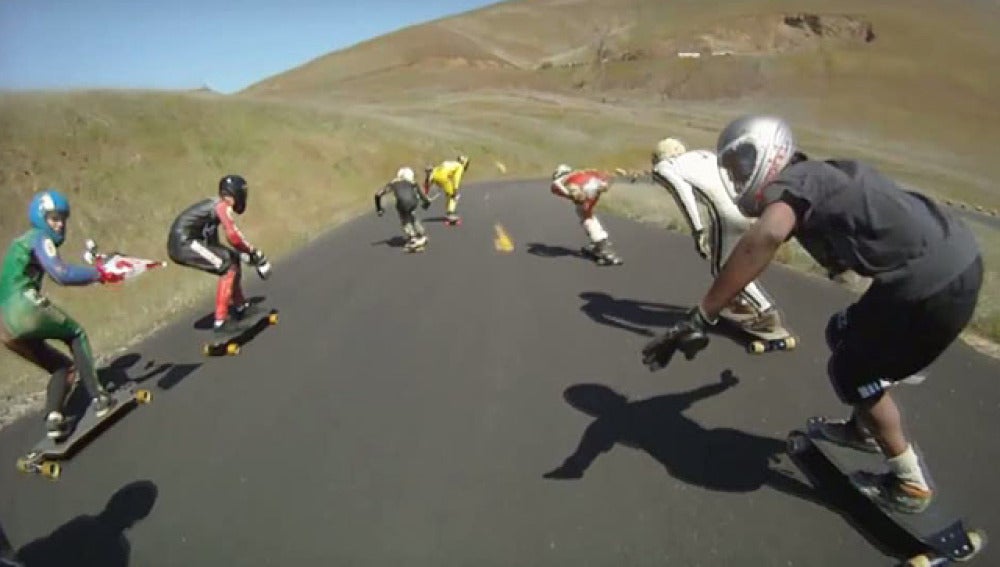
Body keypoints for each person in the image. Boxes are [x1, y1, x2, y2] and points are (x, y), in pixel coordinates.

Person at [641, 115, 982, 515]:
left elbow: (764, 237)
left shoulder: (794, 184)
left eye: (744, 165)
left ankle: (909, 483)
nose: (738, 178)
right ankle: (862, 431)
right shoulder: (819, 175)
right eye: (733, 170)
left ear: (773, 152)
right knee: (842, 331)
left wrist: (702, 315)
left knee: (853, 374)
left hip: (929, 283)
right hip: (957, 261)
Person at [0, 190, 125, 439]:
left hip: (4, 325)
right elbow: (62, 274)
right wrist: (99, 274)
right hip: (22, 306)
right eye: (54, 218)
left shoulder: (20, 242)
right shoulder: (38, 237)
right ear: (40, 218)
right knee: (76, 334)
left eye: (63, 218)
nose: (60, 224)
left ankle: (54, 419)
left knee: (62, 368)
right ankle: (100, 398)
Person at [650, 137, 788, 338]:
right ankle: (740, 301)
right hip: (745, 206)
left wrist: (697, 230)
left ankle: (766, 312)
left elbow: (683, 194)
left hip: (724, 215)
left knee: (724, 268)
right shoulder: (703, 155)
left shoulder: (665, 167)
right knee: (735, 258)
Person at [167, 174, 271, 333]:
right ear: (235, 193)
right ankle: (221, 322)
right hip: (184, 243)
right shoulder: (222, 206)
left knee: (232, 259)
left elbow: (213, 243)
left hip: (189, 241)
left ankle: (240, 306)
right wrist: (253, 252)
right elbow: (233, 237)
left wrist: (242, 256)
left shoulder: (214, 209)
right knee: (228, 266)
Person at [550, 164, 623, 266]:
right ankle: (600, 242)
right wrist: (612, 177)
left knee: (586, 217)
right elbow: (601, 176)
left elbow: (555, 185)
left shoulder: (563, 179)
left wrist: (569, 194)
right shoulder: (580, 172)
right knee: (587, 214)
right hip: (594, 186)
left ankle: (603, 248)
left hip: (584, 190)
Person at [376, 167, 432, 250]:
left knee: (404, 217)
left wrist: (379, 209)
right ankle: (421, 233)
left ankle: (412, 237)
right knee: (411, 213)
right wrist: (426, 204)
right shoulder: (413, 183)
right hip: (413, 202)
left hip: (402, 204)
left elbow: (378, 194)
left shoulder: (393, 183)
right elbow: (423, 197)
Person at [423, 154, 470, 225]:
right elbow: (456, 179)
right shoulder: (460, 167)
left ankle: (449, 211)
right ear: (464, 163)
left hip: (435, 175)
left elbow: (440, 167)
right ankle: (450, 214)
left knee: (449, 194)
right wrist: (455, 190)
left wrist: (431, 178)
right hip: (444, 178)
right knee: (453, 196)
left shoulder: (450, 163)